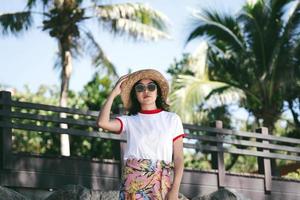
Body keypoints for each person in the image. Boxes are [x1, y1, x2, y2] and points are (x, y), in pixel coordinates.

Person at [97, 69, 185, 200]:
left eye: (151, 87)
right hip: (133, 184)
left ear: (157, 92)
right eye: (140, 88)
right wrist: (113, 93)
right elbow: (102, 122)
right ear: (135, 95)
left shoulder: (172, 119)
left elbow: (178, 158)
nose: (146, 91)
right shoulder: (129, 121)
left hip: (162, 183)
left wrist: (175, 189)